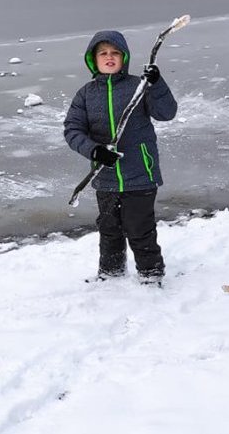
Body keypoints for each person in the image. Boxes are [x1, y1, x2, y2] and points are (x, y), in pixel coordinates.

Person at [64, 30, 178, 285]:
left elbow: (166, 113)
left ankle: (151, 275)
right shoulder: (85, 94)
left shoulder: (139, 86)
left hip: (141, 174)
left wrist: (156, 84)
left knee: (140, 229)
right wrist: (94, 150)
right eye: (103, 53)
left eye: (115, 52)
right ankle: (111, 274)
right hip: (105, 177)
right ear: (94, 59)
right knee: (109, 230)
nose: (109, 57)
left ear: (124, 57)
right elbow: (72, 130)